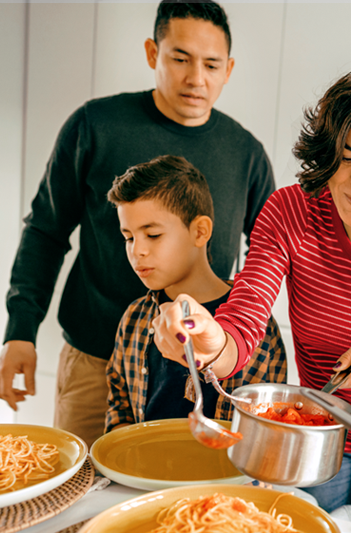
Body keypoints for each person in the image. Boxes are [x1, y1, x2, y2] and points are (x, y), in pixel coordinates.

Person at [152, 64, 351, 512]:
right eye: (345, 157)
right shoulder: (292, 213)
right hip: (317, 443)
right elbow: (242, 324)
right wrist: (210, 343)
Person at [0, 0, 276, 448]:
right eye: (180, 58)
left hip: (200, 375)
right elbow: (46, 230)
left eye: (211, 64)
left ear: (229, 69)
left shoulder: (246, 154)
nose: (196, 78)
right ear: (152, 53)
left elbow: (267, 261)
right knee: (77, 496)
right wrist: (20, 332)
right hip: (95, 360)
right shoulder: (94, 125)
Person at [103, 155, 286, 432]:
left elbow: (270, 423)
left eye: (152, 235)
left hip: (222, 474)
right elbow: (120, 406)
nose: (136, 250)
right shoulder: (134, 318)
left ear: (200, 231)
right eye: (129, 237)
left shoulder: (255, 325)